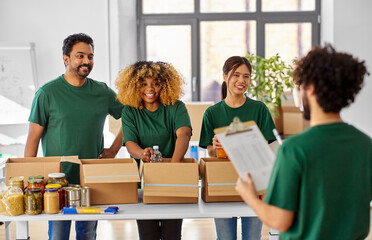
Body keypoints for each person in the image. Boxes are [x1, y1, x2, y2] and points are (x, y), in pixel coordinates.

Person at [235, 44, 372, 240]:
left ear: (311, 89)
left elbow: (280, 221)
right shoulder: (365, 145)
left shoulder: (294, 149)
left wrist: (248, 195)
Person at [25, 33, 124, 240]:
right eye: (80, 56)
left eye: (90, 56)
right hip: (57, 181)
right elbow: (33, 139)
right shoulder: (47, 93)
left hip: (90, 179)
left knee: (87, 234)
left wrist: (114, 150)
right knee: (58, 236)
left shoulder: (102, 92)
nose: (86, 61)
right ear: (66, 59)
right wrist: (30, 179)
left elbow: (131, 117)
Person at [199, 56, 276, 240]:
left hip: (254, 185)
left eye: (247, 76)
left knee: (252, 238)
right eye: (236, 75)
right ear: (225, 76)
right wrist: (215, 147)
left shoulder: (259, 109)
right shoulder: (212, 113)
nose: (242, 81)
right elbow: (209, 151)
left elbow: (265, 147)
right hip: (222, 185)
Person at [115, 61, 192, 240]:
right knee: (148, 235)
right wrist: (143, 153)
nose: (150, 89)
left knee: (172, 235)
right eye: (143, 84)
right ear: (134, 86)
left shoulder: (175, 107)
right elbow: (130, 143)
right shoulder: (130, 111)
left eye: (156, 83)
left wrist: (172, 167)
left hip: (173, 182)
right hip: (145, 182)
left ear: (165, 85)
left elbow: (184, 133)